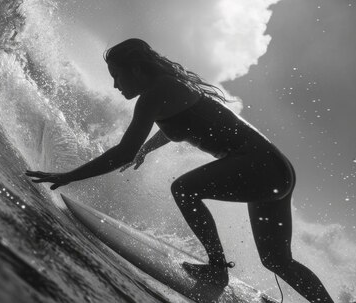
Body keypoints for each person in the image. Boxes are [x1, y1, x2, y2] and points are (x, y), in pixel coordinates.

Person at [26, 39, 335, 302]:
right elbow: (183, 124)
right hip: (274, 169)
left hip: (259, 166)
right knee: (277, 261)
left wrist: (68, 176)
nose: (115, 85)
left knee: (184, 189)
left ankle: (217, 267)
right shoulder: (169, 89)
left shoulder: (154, 94)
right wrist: (148, 147)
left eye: (117, 75)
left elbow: (124, 151)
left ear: (136, 70)